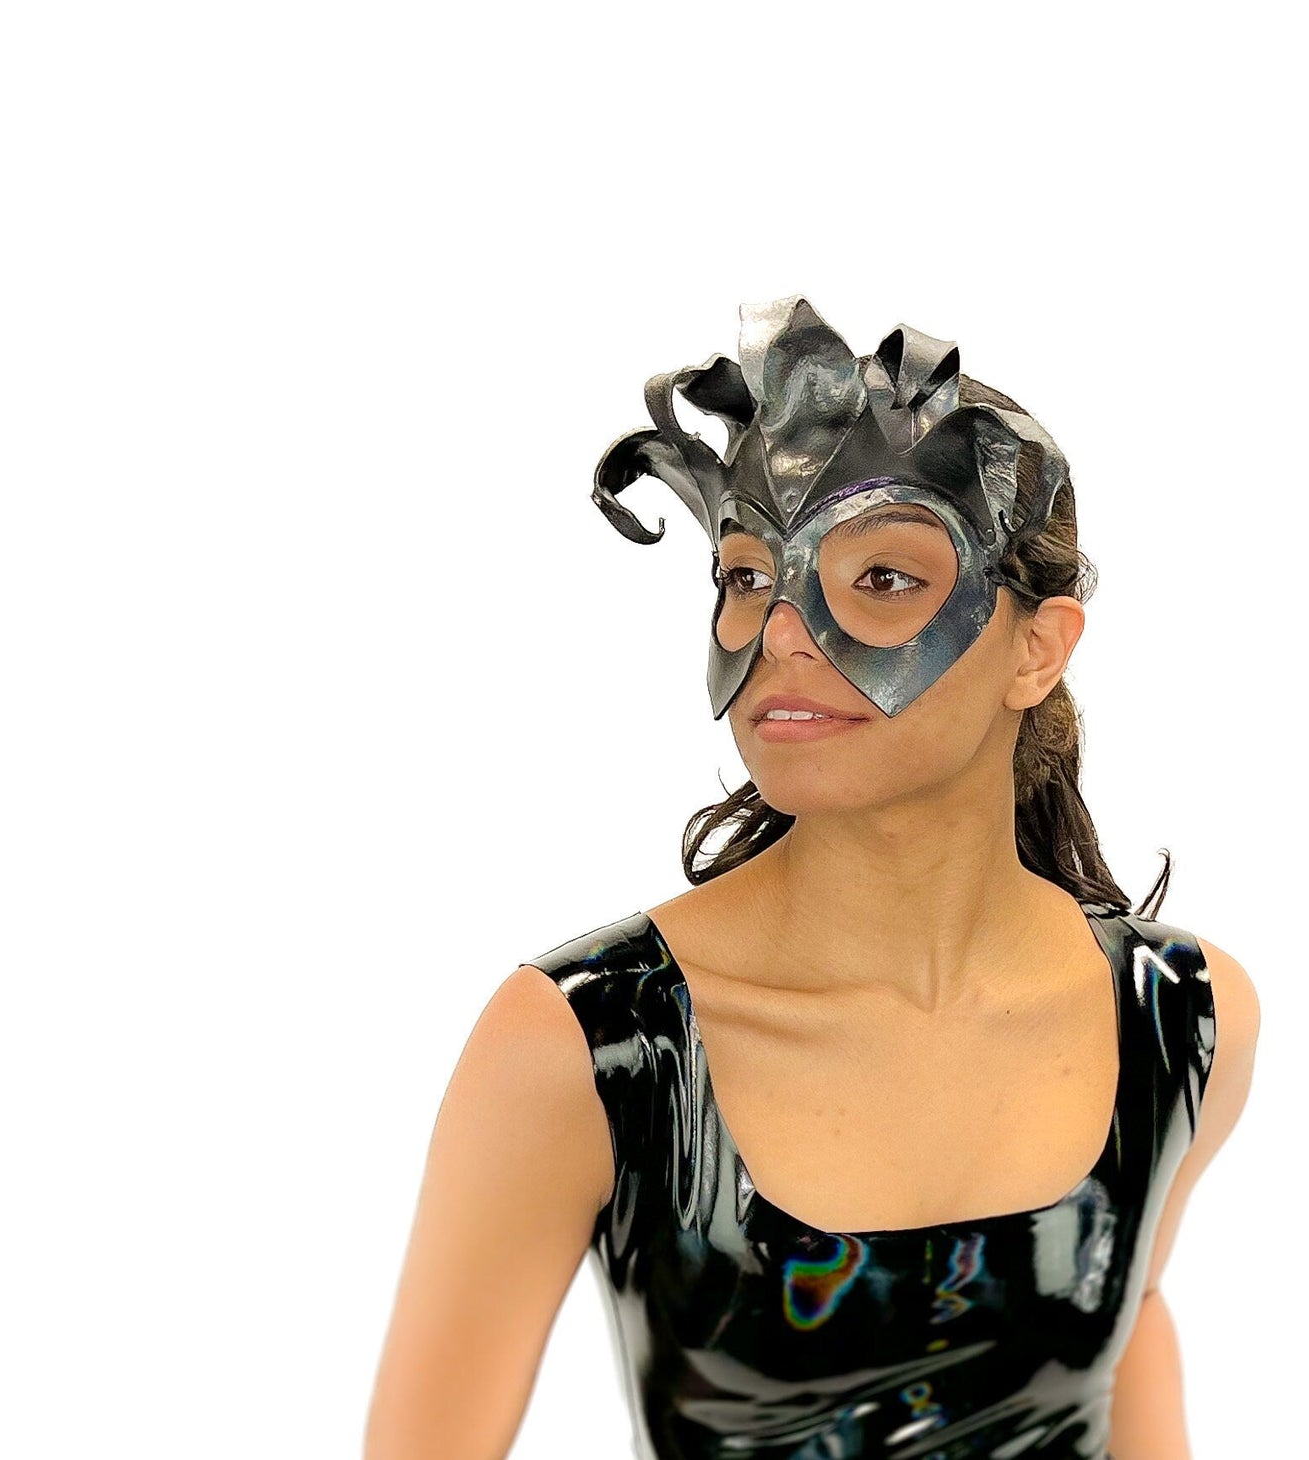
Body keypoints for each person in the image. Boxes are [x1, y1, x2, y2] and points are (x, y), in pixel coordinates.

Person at [365, 297, 1261, 1460]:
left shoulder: (1180, 1015)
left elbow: (1126, 1327)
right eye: (746, 574)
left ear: (1036, 648)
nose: (782, 629)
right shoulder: (590, 1043)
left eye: (880, 577)